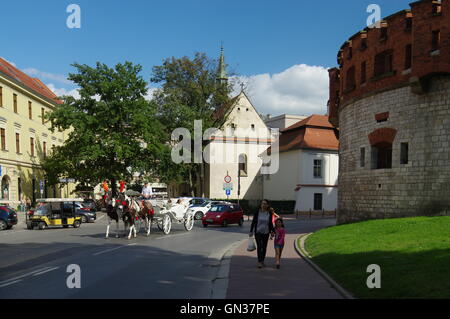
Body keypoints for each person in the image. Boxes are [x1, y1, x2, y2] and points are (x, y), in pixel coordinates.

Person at [249, 199, 275, 268]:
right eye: (262, 203)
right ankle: (259, 261)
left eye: (265, 204)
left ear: (267, 205)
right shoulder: (257, 212)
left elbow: (270, 224)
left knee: (264, 247)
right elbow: (254, 222)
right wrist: (251, 231)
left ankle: (262, 260)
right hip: (258, 232)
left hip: (266, 232)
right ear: (260, 205)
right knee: (259, 246)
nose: (264, 205)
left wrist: (273, 231)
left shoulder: (269, 213)